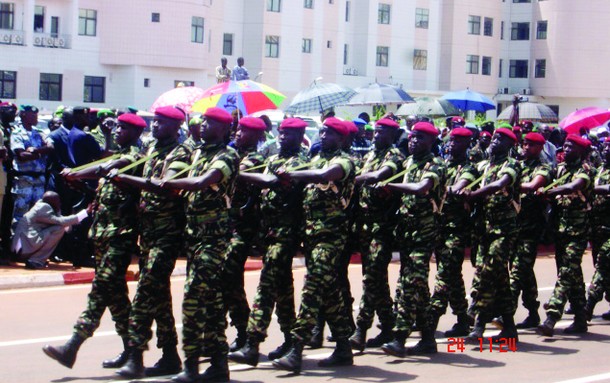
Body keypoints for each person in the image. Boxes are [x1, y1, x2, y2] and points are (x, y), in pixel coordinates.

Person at [42, 113, 147, 369]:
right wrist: (86, 189)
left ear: (135, 133)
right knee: (116, 297)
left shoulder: (134, 155)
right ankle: (132, 354)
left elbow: (104, 169)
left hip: (120, 236)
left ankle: (72, 346)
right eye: (117, 126)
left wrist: (76, 174)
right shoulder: (115, 153)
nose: (118, 130)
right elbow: (109, 191)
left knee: (100, 291)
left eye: (123, 127)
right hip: (103, 235)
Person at [161, 107, 240, 383]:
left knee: (194, 299)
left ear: (225, 129)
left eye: (210, 123)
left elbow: (202, 182)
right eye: (203, 121)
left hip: (213, 240)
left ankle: (191, 365)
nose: (203, 126)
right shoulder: (198, 153)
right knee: (213, 302)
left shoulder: (227, 156)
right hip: (194, 238)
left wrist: (166, 182)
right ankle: (219, 365)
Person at [112, 106, 191, 379]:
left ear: (175, 126)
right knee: (158, 295)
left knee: (145, 292)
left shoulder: (180, 153)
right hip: (148, 233)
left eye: (160, 122)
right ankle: (170, 355)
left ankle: (135, 355)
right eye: (154, 121)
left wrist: (127, 179)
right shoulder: (151, 150)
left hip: (167, 235)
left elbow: (166, 185)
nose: (154, 126)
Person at [272, 117, 355, 373]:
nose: (323, 136)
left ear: (341, 139)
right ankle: (343, 346)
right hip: (311, 235)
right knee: (329, 294)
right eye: (322, 131)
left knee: (312, 288)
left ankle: (296, 349)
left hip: (331, 237)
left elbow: (323, 175)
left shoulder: (344, 161)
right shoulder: (316, 158)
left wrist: (292, 174)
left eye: (329, 133)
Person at [228, 118, 308, 367]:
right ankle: (288, 338)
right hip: (269, 231)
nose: (283, 138)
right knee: (283, 289)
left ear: (301, 135)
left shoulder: (301, 162)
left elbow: (272, 182)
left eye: (290, 134)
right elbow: (260, 191)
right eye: (282, 133)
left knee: (266, 286)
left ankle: (252, 343)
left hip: (287, 231)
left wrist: (236, 173)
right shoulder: (274, 160)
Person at [381, 121, 446, 357]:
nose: (413, 141)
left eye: (419, 138)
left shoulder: (436, 164)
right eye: (411, 137)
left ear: (431, 142)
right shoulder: (408, 162)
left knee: (408, 285)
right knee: (418, 287)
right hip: (407, 232)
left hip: (425, 233)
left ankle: (399, 338)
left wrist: (392, 186)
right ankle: (428, 339)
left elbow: (421, 188)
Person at [348, 118, 404, 352]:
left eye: (381, 132)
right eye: (376, 132)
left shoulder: (395, 157)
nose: (376, 136)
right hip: (364, 226)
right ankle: (389, 326)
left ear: (392, 135)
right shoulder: (370, 155)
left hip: (382, 226)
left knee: (371, 277)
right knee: (377, 280)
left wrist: (346, 180)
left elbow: (376, 176)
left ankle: (360, 329)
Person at [464, 128, 521, 343]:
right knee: (500, 279)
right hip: (485, 229)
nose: (494, 141)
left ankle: (477, 319)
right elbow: (469, 178)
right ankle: (510, 328)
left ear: (509, 145)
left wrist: (473, 194)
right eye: (494, 137)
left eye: (500, 139)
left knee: (487, 270)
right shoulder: (484, 165)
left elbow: (499, 184)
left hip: (504, 230)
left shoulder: (512, 165)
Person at [538, 135, 595, 337]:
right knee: (573, 276)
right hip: (561, 230)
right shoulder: (562, 169)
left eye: (571, 146)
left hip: (578, 232)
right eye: (566, 146)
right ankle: (580, 319)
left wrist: (550, 191)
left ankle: (552, 317)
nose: (566, 149)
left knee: (565, 274)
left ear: (580, 150)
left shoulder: (585, 170)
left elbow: (573, 187)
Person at [222, 116, 267, 353]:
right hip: (224, 224)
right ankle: (241, 327)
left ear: (258, 137)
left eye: (246, 131)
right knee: (229, 279)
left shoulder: (255, 158)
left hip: (243, 225)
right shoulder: (230, 153)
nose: (239, 134)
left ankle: (242, 330)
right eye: (239, 129)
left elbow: (236, 175)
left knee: (229, 272)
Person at [430, 127, 477, 338]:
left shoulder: (469, 168)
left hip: (456, 230)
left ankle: (430, 321)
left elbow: (459, 187)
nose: (451, 144)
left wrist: (436, 189)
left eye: (457, 141)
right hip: (438, 227)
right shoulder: (442, 165)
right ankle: (463, 318)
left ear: (467, 145)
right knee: (453, 276)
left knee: (444, 275)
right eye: (450, 141)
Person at [510, 132, 552, 329]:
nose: (526, 147)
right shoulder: (518, 166)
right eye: (525, 144)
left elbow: (533, 185)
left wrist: (508, 185)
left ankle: (505, 313)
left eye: (532, 145)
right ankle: (533, 312)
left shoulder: (543, 168)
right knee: (524, 272)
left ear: (540, 148)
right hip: (514, 227)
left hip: (531, 228)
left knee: (518, 272)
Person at [12, 191, 89, 269]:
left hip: (24, 247)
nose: (60, 203)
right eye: (58, 201)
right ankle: (36, 260)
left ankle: (35, 258)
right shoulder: (44, 207)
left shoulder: (42, 205)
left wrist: (59, 211)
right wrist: (85, 212)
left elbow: (65, 225)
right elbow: (61, 222)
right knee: (59, 229)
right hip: (24, 249)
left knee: (59, 226)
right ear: (52, 201)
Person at [10, 105, 51, 228]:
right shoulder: (17, 133)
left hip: (39, 179)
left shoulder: (39, 133)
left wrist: (35, 150)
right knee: (20, 215)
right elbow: (22, 155)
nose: (36, 117)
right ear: (23, 115)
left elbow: (50, 148)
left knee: (38, 215)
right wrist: (41, 153)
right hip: (24, 180)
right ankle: (17, 245)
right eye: (32, 115)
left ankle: (32, 244)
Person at [586, 138, 610, 320]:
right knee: (601, 264)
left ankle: (588, 305)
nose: (606, 149)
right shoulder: (599, 170)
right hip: (597, 227)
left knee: (603, 264)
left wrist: (590, 188)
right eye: (606, 146)